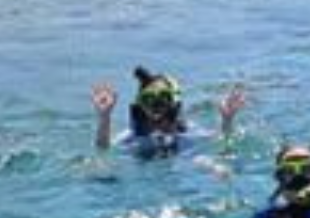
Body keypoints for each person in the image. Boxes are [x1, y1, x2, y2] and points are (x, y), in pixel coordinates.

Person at [93, 66, 248, 155]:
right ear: (141, 107)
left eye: (163, 105)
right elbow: (103, 148)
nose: (157, 116)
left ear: (174, 108)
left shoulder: (184, 133)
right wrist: (104, 117)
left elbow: (220, 140)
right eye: (151, 105)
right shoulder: (134, 135)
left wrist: (227, 120)